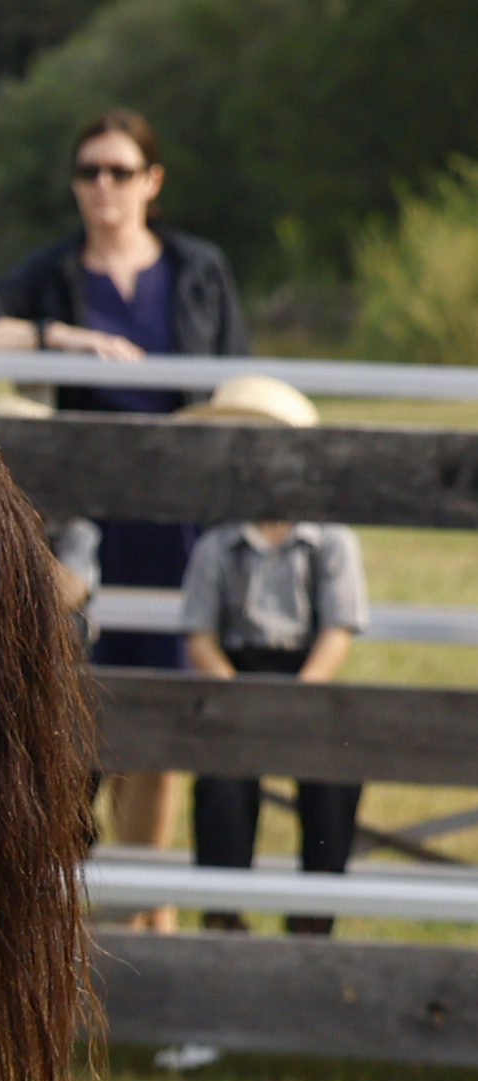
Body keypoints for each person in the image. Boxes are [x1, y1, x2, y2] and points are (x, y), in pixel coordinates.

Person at [0, 106, 239, 901]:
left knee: (160, 724)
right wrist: (61, 337)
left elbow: (236, 378)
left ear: (152, 180)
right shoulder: (57, 270)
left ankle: (152, 917)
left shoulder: (198, 268)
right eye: (88, 171)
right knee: (78, 715)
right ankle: (67, 910)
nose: (102, 185)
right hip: (82, 521)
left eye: (119, 170)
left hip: (176, 517)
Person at [171, 376, 365, 937]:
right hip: (236, 673)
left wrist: (304, 689)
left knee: (335, 771)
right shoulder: (218, 543)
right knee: (223, 783)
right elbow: (201, 633)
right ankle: (224, 911)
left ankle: (314, 911)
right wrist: (231, 685)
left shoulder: (329, 539)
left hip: (306, 672)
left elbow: (337, 627)